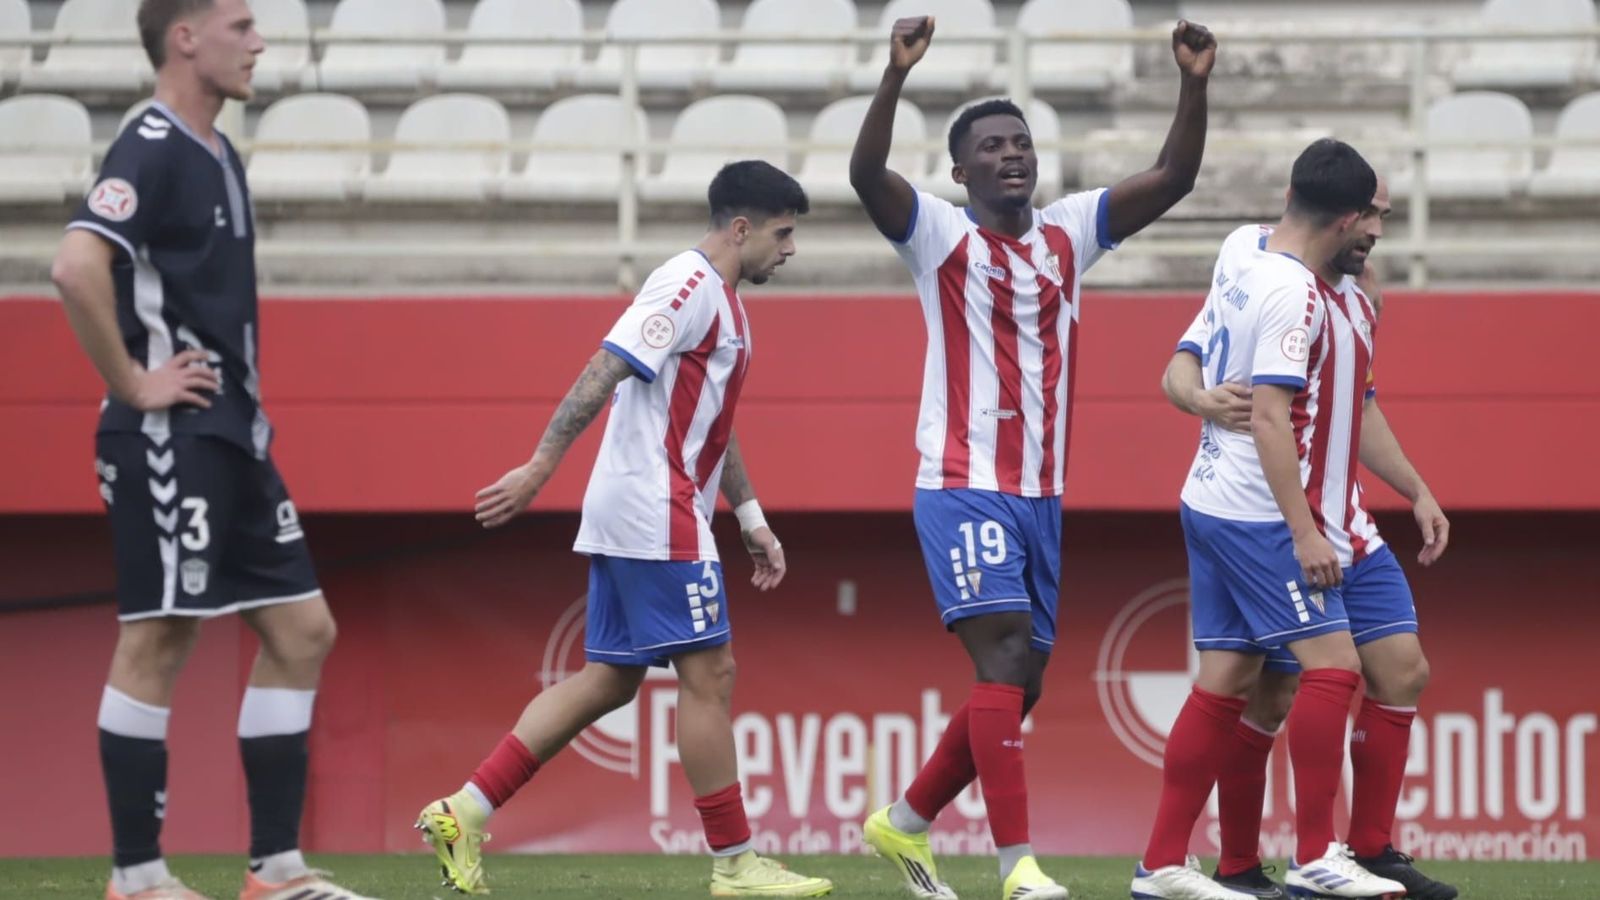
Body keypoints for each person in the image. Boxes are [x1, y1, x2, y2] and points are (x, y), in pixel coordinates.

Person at [847, 14, 1216, 900]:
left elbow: (1174, 177)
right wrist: (894, 77)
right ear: (959, 169)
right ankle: (1018, 871)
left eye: (1021, 143)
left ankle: (901, 825)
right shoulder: (937, 235)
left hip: (1041, 494)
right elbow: (865, 176)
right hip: (963, 483)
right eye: (992, 147)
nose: (1012, 155)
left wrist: (1194, 82)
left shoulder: (1068, 232)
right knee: (1005, 657)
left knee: (1023, 684)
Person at [414, 160, 831, 899]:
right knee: (712, 674)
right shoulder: (687, 284)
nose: (790, 249)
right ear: (741, 229)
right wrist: (541, 465)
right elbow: (606, 366)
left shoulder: (728, 306)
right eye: (783, 233)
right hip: (653, 507)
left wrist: (753, 518)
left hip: (649, 507)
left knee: (610, 678)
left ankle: (463, 811)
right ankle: (736, 864)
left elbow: (716, 426)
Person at [50, 2, 371, 899]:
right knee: (159, 636)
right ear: (184, 37)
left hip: (232, 434)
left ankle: (275, 871)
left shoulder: (219, 152)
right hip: (168, 433)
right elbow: (76, 266)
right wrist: (131, 381)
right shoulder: (150, 142)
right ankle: (138, 878)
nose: (260, 41)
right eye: (240, 23)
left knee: (303, 631)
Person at [1128, 139, 1412, 900]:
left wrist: (1185, 390)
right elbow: (1268, 418)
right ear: (1348, 216)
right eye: (1376, 218)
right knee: (1335, 669)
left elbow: (1188, 359)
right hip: (1262, 510)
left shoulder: (1247, 252)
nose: (1380, 234)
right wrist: (1305, 530)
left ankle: (1160, 865)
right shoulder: (1292, 291)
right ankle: (1318, 856)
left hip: (1218, 499)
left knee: (1226, 679)